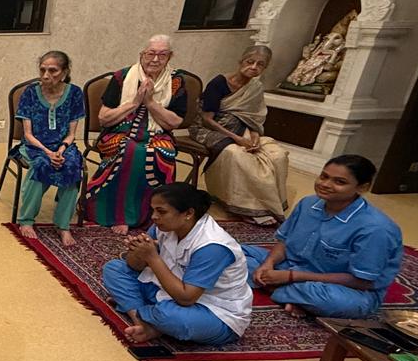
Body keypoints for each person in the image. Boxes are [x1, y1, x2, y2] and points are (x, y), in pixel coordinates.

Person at [243, 155, 403, 318]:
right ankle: (289, 295)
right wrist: (268, 264)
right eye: (324, 176)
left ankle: (274, 288)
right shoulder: (307, 204)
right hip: (289, 267)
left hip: (343, 289)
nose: (325, 184)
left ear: (362, 187)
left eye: (339, 182)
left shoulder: (376, 228)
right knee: (230, 252)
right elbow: (284, 242)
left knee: (336, 301)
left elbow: (362, 281)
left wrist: (291, 277)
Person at [102, 183, 252, 345]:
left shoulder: (212, 246)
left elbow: (186, 298)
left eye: (161, 211)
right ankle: (142, 322)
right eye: (153, 210)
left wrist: (152, 258)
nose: (154, 217)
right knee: (114, 269)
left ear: (188, 213)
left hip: (211, 310)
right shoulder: (163, 226)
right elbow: (133, 266)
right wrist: (137, 253)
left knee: (171, 317)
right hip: (166, 290)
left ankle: (139, 310)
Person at [83, 35, 189, 233]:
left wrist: (150, 103)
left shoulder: (176, 81)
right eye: (151, 54)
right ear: (142, 54)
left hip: (158, 134)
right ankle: (118, 214)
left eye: (162, 55)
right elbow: (104, 119)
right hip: (118, 131)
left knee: (159, 152)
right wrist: (134, 102)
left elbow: (174, 122)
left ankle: (156, 215)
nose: (155, 59)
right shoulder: (121, 77)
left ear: (170, 57)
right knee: (130, 150)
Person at [192, 46, 290, 224]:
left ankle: (266, 206)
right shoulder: (219, 83)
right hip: (210, 129)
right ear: (241, 62)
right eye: (250, 62)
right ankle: (242, 205)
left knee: (277, 155)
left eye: (260, 65)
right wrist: (237, 139)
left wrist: (254, 137)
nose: (253, 67)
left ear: (265, 68)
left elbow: (252, 117)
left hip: (242, 130)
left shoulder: (255, 87)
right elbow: (207, 119)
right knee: (237, 154)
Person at [14, 50, 85, 246]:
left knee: (71, 166)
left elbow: (71, 134)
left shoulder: (75, 93)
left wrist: (61, 150)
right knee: (41, 165)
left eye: (53, 71)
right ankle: (26, 220)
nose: (46, 75)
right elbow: (27, 134)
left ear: (64, 72)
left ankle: (63, 225)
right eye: (43, 70)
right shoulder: (30, 93)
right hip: (35, 146)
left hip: (63, 146)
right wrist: (48, 152)